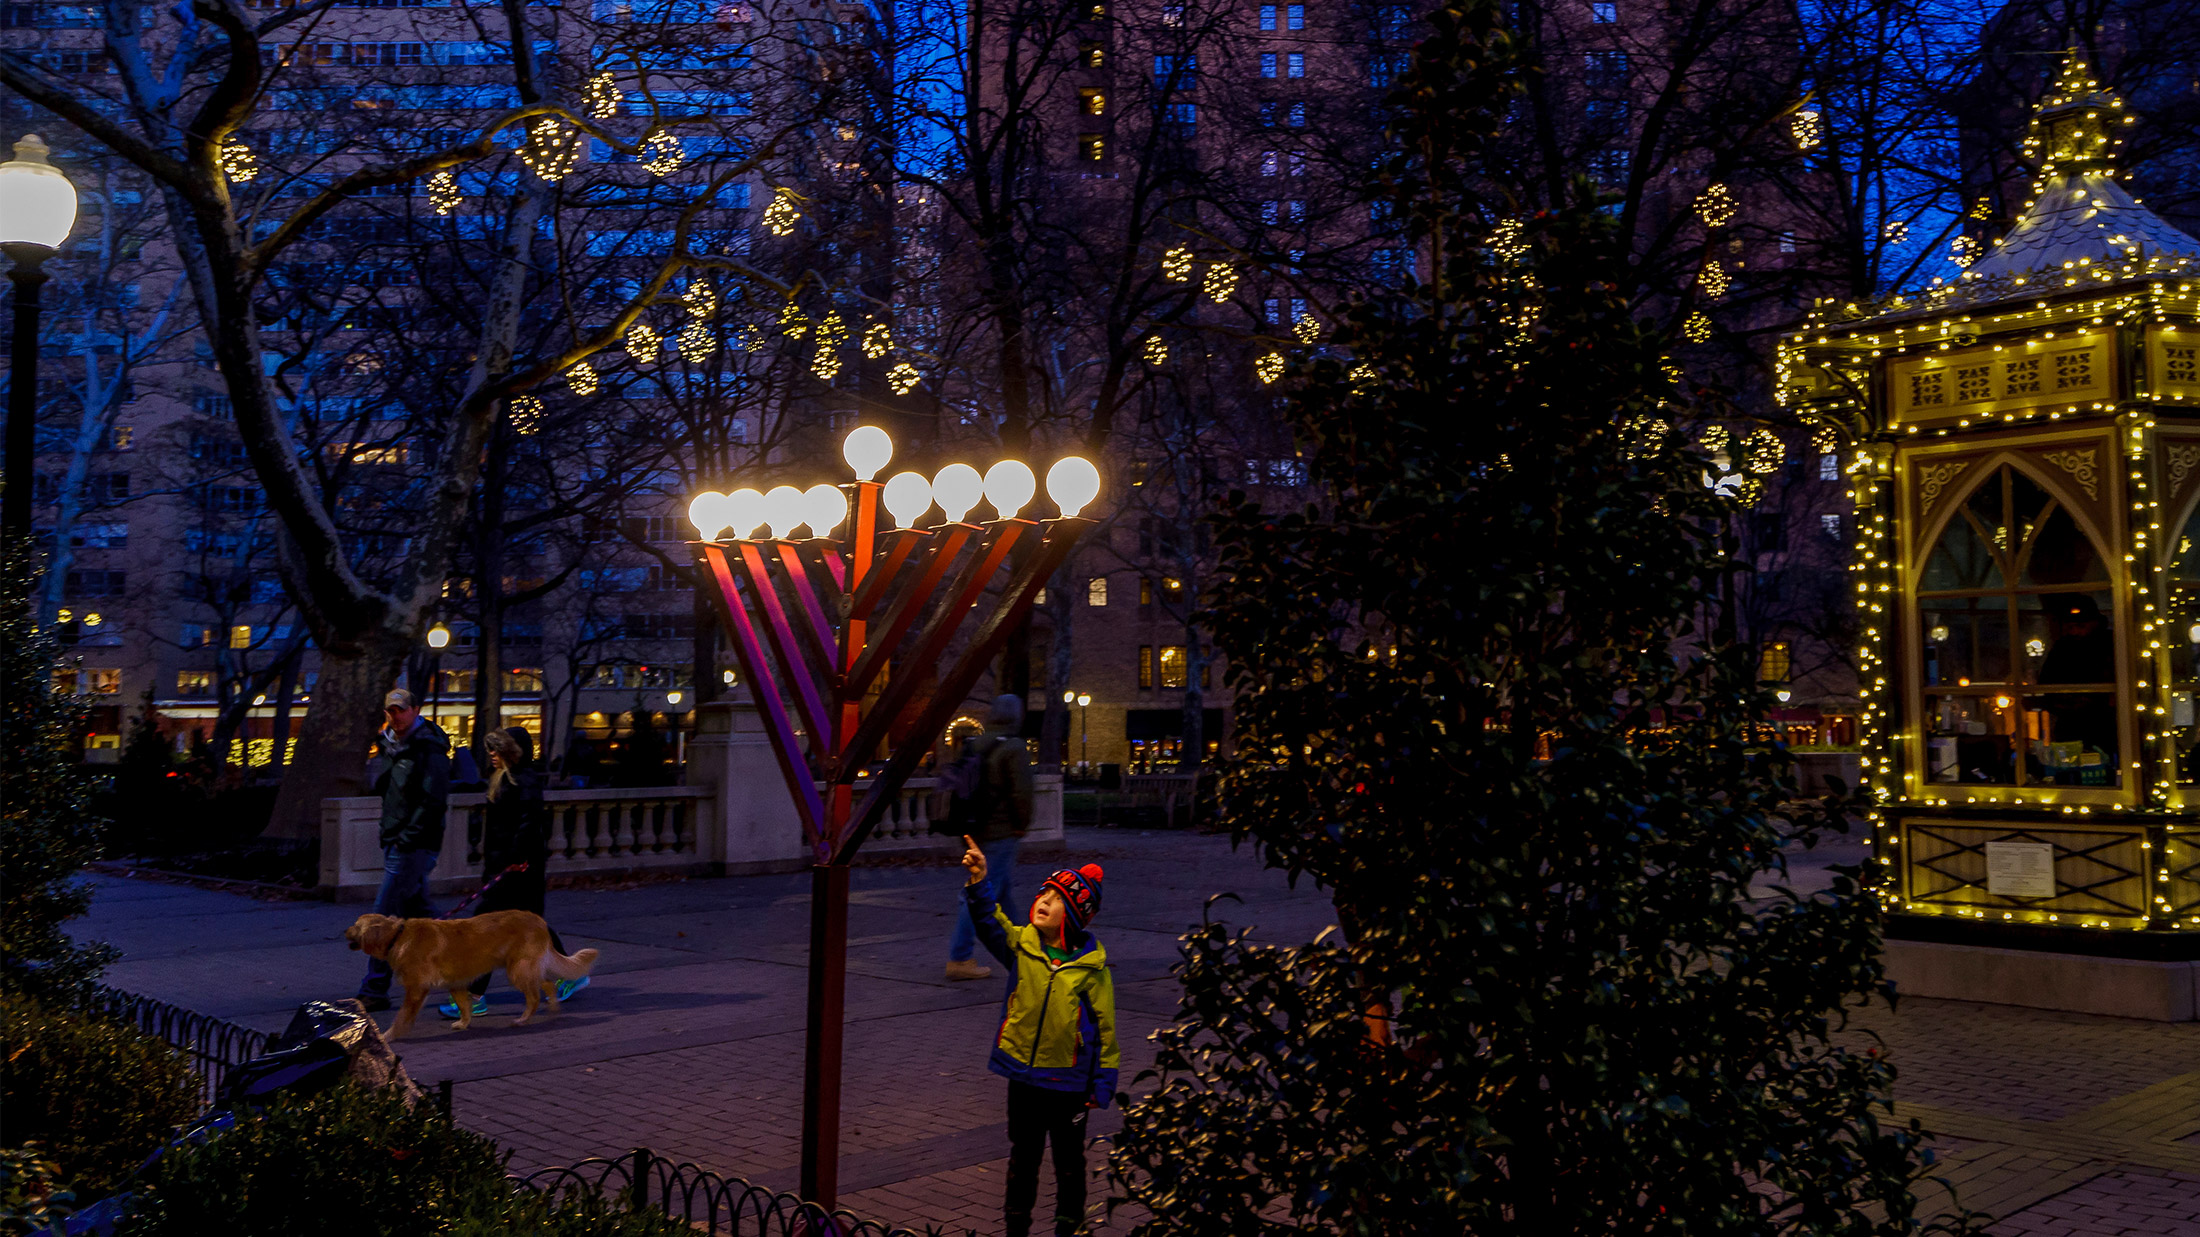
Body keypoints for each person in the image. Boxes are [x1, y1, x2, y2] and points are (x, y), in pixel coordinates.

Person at [960, 836, 1116, 1237]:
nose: (1044, 900)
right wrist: (979, 881)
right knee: (1023, 1158)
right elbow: (990, 924)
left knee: (1069, 1162)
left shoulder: (1092, 970)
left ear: (1076, 915)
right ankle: (1017, 1226)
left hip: (1068, 1084)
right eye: (1044, 891)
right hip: (1024, 1079)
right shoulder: (1021, 946)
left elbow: (1106, 1030)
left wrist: (1102, 1081)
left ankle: (1069, 1226)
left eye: (1058, 897)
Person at [441, 727, 588, 1018]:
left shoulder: (525, 782)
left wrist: (516, 859)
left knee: (485, 928)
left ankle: (473, 995)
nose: (491, 754)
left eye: (497, 749)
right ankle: (570, 974)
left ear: (512, 751)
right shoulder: (503, 779)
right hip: (506, 867)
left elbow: (530, 824)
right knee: (530, 927)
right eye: (491, 749)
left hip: (518, 869)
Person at [354, 688, 452, 1011]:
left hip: (412, 843)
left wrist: (405, 837)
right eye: (390, 711)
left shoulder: (428, 748)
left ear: (415, 710)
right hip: (400, 839)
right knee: (422, 913)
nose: (395, 716)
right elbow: (388, 790)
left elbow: (432, 800)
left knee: (383, 917)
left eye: (400, 710)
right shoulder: (392, 745)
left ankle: (374, 988)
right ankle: (466, 968)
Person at [944, 694, 1035, 981]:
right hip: (1001, 831)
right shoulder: (1014, 747)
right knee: (978, 894)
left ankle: (1023, 953)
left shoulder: (972, 744)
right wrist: (1021, 824)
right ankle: (960, 957)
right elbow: (1022, 792)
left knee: (1001, 893)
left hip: (973, 828)